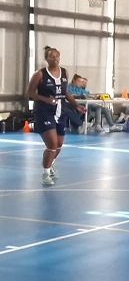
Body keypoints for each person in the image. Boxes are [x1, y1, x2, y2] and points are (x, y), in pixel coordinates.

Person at [26, 46, 86, 185]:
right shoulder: (40, 74)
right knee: (52, 144)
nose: (55, 58)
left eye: (57, 55)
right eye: (51, 56)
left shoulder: (64, 72)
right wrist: (45, 99)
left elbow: (65, 93)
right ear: (46, 59)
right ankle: (46, 174)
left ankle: (49, 163)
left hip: (60, 111)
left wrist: (76, 105)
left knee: (58, 145)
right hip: (44, 112)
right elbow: (30, 92)